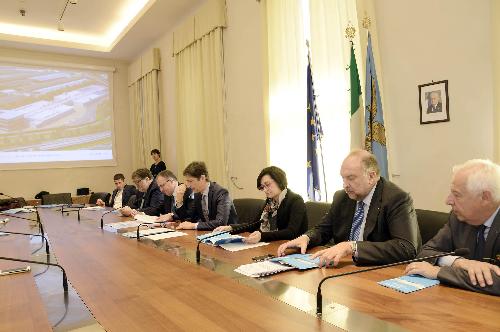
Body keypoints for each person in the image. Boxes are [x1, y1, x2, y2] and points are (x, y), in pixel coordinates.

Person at [277, 150, 421, 267]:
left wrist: (353, 247)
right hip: (344, 268)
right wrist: (306, 238)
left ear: (371, 176)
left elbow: (406, 248)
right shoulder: (342, 197)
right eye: (343, 178)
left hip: (381, 271)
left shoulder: (396, 199)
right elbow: (324, 229)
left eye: (351, 178)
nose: (345, 185)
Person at [405, 159, 500, 296]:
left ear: (485, 197)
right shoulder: (459, 217)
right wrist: (459, 262)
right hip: (464, 301)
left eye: (457, 195)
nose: (448, 201)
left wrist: (439, 272)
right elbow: (426, 252)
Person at [214, 166, 307, 243]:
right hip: (273, 244)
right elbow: (254, 224)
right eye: (263, 187)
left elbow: (291, 232)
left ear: (279, 180)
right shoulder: (269, 202)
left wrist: (262, 236)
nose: (265, 190)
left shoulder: (295, 200)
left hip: (293, 247)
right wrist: (230, 227)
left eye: (268, 184)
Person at [176, 161, 238, 230]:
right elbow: (189, 219)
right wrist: (179, 202)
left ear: (202, 178)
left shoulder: (221, 193)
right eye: (187, 181)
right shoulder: (197, 194)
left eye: (190, 181)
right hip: (209, 234)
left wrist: (193, 225)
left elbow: (220, 222)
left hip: (228, 235)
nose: (188, 185)